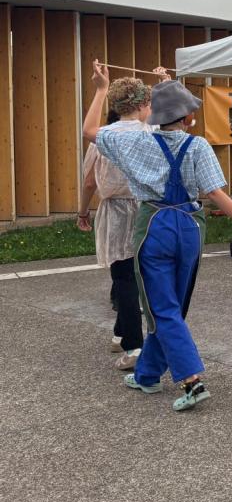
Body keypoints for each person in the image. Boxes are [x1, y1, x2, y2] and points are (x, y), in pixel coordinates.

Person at [83, 62, 232, 411]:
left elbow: (90, 130)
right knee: (172, 305)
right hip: (190, 225)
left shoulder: (136, 140)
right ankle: (147, 375)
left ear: (155, 114)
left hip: (154, 225)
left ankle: (191, 380)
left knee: (162, 306)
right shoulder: (198, 146)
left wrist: (101, 90)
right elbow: (216, 194)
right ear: (187, 117)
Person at [77, 75, 156, 372]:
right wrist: (165, 83)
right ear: (143, 103)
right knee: (139, 273)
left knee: (123, 276)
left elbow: (89, 181)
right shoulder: (152, 132)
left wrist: (82, 212)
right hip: (146, 208)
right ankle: (122, 334)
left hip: (116, 209)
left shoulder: (106, 136)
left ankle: (133, 345)